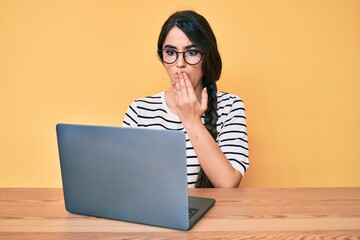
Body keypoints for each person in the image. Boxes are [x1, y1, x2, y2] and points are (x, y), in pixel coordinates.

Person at [122, 10, 249, 188]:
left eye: (191, 52)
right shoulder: (139, 110)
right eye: (171, 52)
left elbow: (228, 183)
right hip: (157, 214)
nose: (179, 63)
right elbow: (127, 181)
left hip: (216, 215)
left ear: (207, 57)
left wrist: (191, 119)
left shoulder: (230, 106)